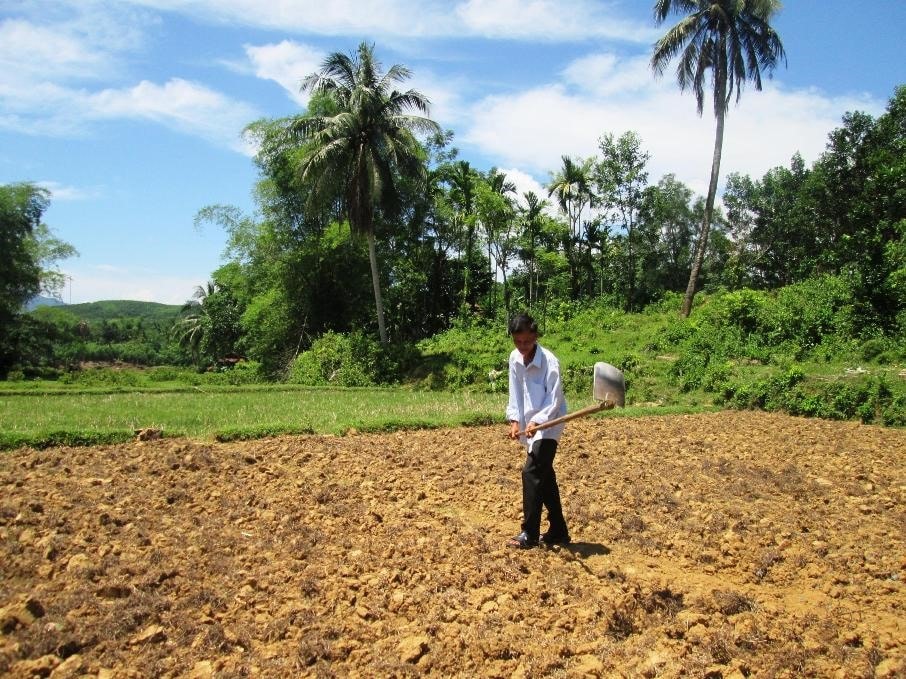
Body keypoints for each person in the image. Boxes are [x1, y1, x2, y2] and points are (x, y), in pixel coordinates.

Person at [505, 313, 571, 549]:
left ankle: (530, 533)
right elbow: (515, 392)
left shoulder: (549, 362)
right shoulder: (514, 358)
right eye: (517, 341)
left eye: (527, 341)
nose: (522, 347)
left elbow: (554, 400)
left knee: (531, 471)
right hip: (530, 425)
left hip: (549, 424)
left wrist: (538, 421)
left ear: (535, 336)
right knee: (544, 476)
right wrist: (515, 421)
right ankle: (559, 530)